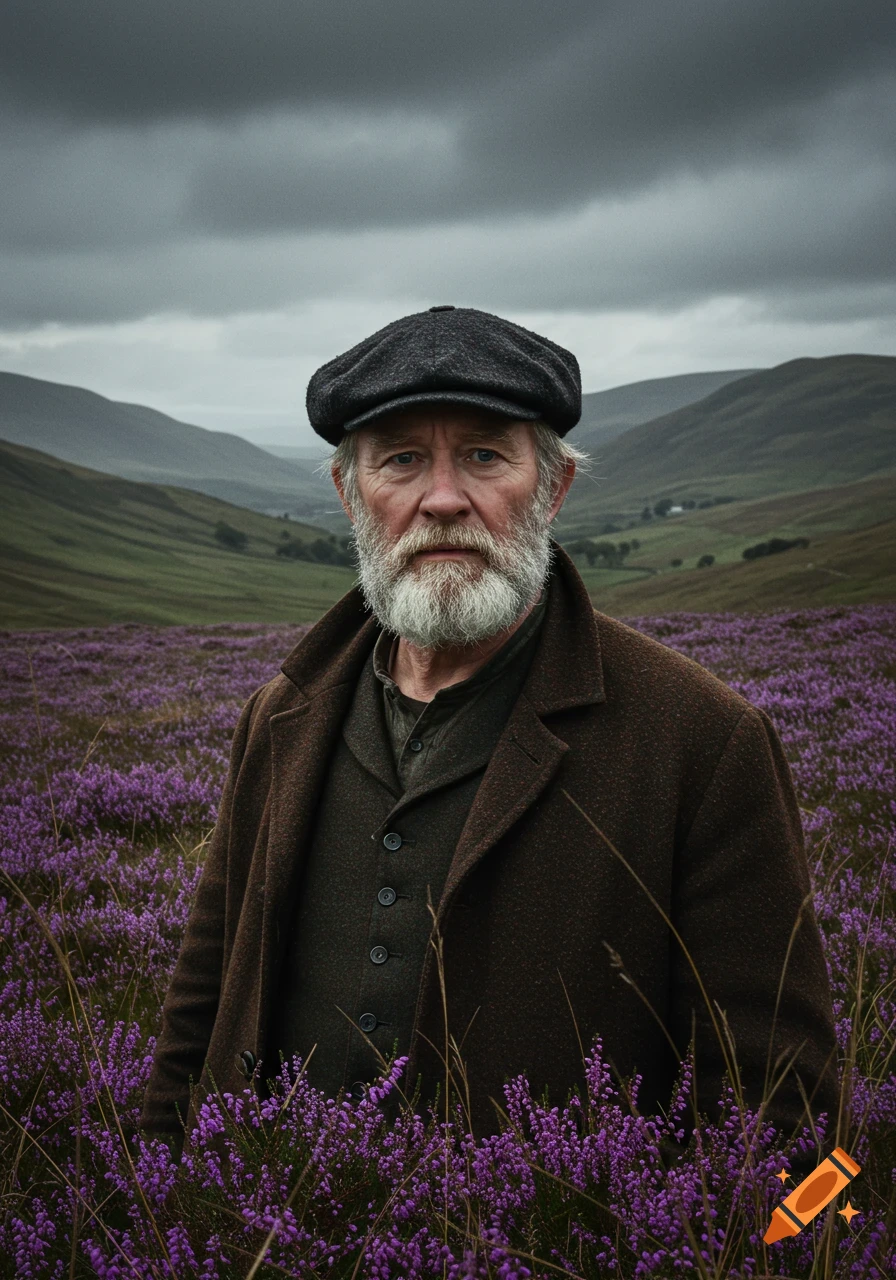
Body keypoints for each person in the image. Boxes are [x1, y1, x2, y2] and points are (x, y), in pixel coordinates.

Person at [140, 306, 839, 1169]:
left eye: (484, 455)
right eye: (400, 459)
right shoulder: (281, 716)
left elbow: (796, 1118)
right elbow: (204, 996)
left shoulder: (704, 740)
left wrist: (784, 1253)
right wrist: (160, 1189)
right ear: (350, 495)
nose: (441, 498)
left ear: (553, 487)